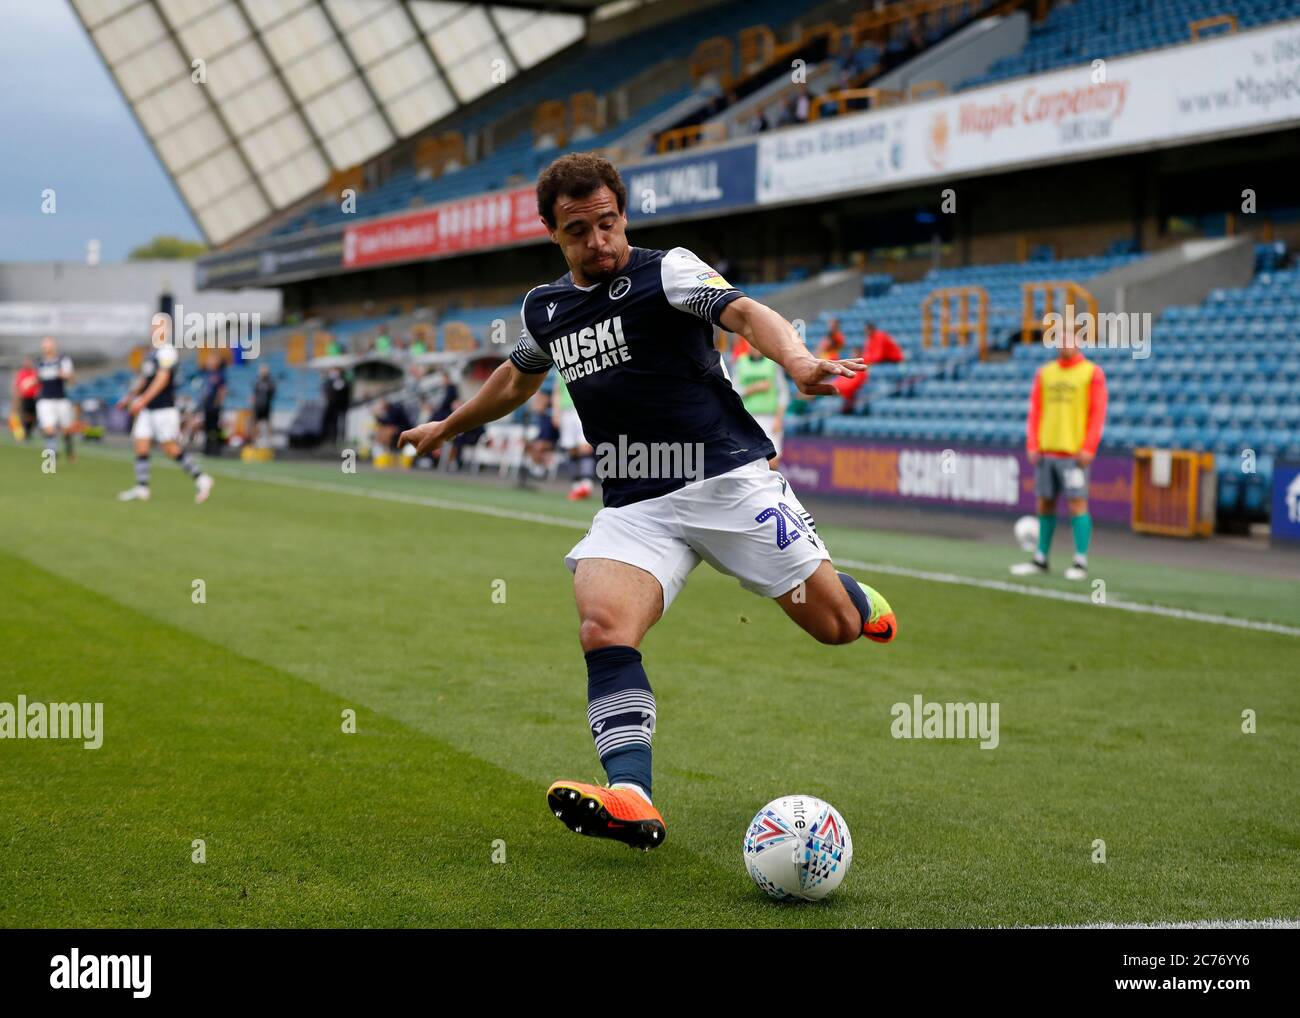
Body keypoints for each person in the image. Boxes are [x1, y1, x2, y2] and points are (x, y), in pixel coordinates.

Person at [398, 152, 896, 852]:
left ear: (622, 214)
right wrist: (448, 426)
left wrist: (800, 362)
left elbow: (746, 314)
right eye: (578, 231)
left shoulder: (668, 271)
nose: (597, 241)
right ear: (552, 233)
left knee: (837, 628)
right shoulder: (547, 307)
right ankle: (632, 794)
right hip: (636, 503)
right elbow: (516, 380)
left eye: (607, 223)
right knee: (602, 626)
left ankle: (848, 594)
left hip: (726, 480)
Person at [1011, 322, 1107, 581]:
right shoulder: (1045, 373)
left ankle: (1080, 561)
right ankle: (1040, 558)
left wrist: (1089, 447)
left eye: (1069, 338)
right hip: (1046, 451)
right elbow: (1035, 412)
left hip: (1074, 454)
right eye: (1060, 338)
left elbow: (1097, 413)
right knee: (1044, 503)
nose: (1064, 343)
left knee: (1077, 503)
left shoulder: (1092, 373)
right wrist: (1033, 443)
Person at [116, 340, 213, 503]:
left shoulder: (167, 351)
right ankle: (142, 487)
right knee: (141, 444)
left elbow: (162, 378)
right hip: (149, 410)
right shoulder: (150, 353)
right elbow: (145, 380)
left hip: (163, 409)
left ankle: (201, 477)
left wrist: (142, 401)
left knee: (170, 448)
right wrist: (130, 397)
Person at [731, 338, 788, 464]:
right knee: (751, 461)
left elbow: (783, 392)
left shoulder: (772, 364)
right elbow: (733, 392)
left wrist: (779, 418)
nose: (754, 347)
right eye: (751, 344)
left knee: (773, 461)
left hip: (770, 417)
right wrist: (754, 388)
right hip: (749, 418)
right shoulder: (740, 363)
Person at [552, 373, 595, 500]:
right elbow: (557, 391)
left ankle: (586, 484)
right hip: (566, 410)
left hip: (581, 407)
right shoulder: (560, 368)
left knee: (585, 446)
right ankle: (576, 484)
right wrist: (556, 412)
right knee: (571, 448)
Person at [34, 337, 76, 464]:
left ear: (54, 346)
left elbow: (71, 379)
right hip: (45, 400)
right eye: (44, 346)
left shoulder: (63, 360)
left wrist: (64, 375)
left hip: (61, 399)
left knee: (67, 429)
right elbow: (37, 379)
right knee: (49, 429)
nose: (46, 348)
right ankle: (51, 460)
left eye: (48, 345)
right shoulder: (40, 362)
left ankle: (69, 449)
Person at [199, 352, 226, 456]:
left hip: (214, 405)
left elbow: (222, 390)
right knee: (207, 427)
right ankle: (207, 448)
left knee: (214, 428)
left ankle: (216, 448)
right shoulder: (207, 374)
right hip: (207, 405)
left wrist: (218, 402)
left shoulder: (220, 375)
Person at [12, 356, 38, 441]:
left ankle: (28, 432)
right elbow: (17, 385)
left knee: (32, 416)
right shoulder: (21, 373)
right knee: (24, 415)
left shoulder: (34, 373)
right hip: (24, 397)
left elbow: (38, 385)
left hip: (33, 398)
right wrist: (17, 395)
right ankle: (22, 433)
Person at [321, 367, 350, 446]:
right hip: (332, 407)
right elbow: (326, 391)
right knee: (333, 424)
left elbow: (345, 391)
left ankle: (342, 440)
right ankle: (332, 440)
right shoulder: (328, 382)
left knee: (342, 424)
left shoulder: (343, 381)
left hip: (342, 406)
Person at [251, 365, 276, 447]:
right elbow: (254, 393)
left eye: (264, 370)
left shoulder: (270, 382)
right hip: (258, 405)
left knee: (268, 422)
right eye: (262, 370)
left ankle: (270, 442)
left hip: (267, 405)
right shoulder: (257, 381)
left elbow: (272, 393)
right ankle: (255, 441)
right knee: (255, 423)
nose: (263, 372)